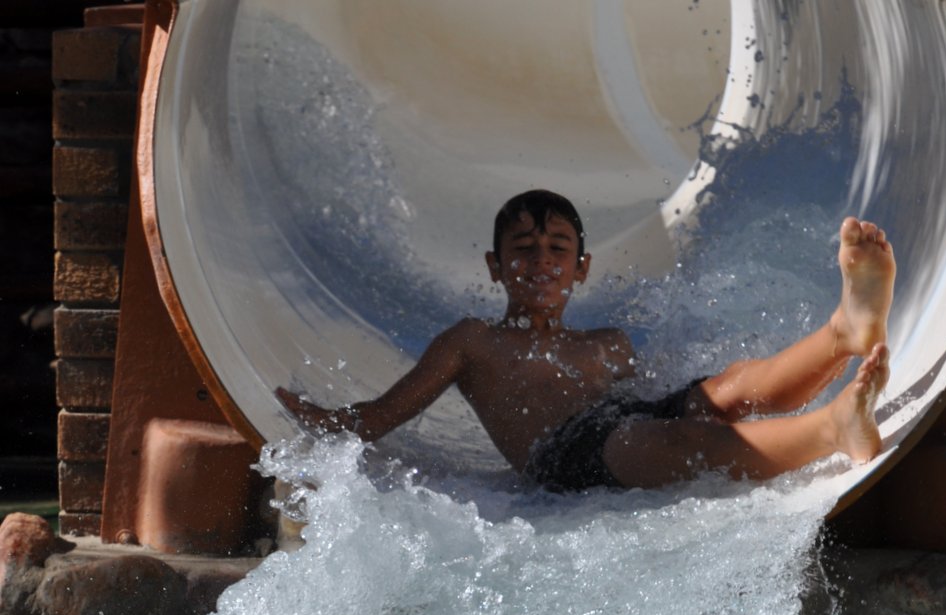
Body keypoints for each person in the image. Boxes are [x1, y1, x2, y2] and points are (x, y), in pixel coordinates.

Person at [276, 190, 894, 491]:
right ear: (495, 267)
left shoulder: (608, 343)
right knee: (660, 439)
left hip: (622, 425)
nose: (541, 262)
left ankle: (843, 332)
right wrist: (322, 421)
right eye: (524, 250)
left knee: (726, 387)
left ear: (581, 268)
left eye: (557, 250)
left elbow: (650, 403)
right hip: (565, 457)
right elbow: (380, 417)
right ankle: (830, 429)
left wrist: (690, 407)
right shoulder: (472, 343)